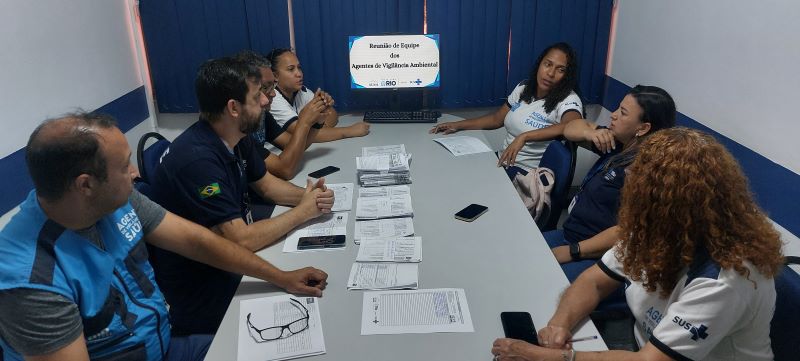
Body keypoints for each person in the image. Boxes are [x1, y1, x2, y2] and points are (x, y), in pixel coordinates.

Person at [0, 112, 328, 361]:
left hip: (166, 344)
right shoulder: (30, 281)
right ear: (85, 185)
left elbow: (197, 242)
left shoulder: (115, 199)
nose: (136, 173)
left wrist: (281, 277)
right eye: (125, 165)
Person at [491, 127, 784, 361]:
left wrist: (558, 358)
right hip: (640, 339)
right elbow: (594, 281)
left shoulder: (726, 277)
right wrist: (559, 323)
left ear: (673, 203)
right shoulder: (660, 228)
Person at [148, 57, 335, 336]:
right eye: (257, 95)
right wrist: (303, 212)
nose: (265, 101)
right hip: (204, 288)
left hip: (232, 261)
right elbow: (239, 240)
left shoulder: (236, 134)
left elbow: (269, 187)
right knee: (314, 317)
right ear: (233, 108)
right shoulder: (196, 160)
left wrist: (310, 198)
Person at [543, 85, 675, 284]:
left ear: (643, 128)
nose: (612, 115)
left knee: (542, 279)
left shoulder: (644, 169)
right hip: (572, 235)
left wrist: (573, 251)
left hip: (598, 255)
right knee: (520, 252)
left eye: (622, 113)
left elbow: (626, 231)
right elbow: (571, 128)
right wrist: (590, 134)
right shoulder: (618, 143)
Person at [430, 42, 583, 176]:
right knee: (454, 169)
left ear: (567, 76)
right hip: (503, 162)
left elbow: (573, 126)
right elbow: (497, 119)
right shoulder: (524, 88)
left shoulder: (569, 99)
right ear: (539, 64)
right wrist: (457, 125)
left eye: (560, 70)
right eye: (547, 64)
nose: (550, 73)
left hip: (528, 174)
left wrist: (524, 136)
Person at [234, 50, 323, 180]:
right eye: (264, 88)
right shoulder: (238, 130)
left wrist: (317, 123)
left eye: (273, 86)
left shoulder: (263, 115)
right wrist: (304, 122)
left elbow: (293, 145)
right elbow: (285, 170)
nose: (273, 94)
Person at [267, 48, 370, 141]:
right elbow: (302, 135)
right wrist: (349, 131)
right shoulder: (272, 98)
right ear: (275, 76)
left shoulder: (301, 91)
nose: (299, 74)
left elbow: (332, 113)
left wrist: (321, 130)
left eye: (299, 68)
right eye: (291, 69)